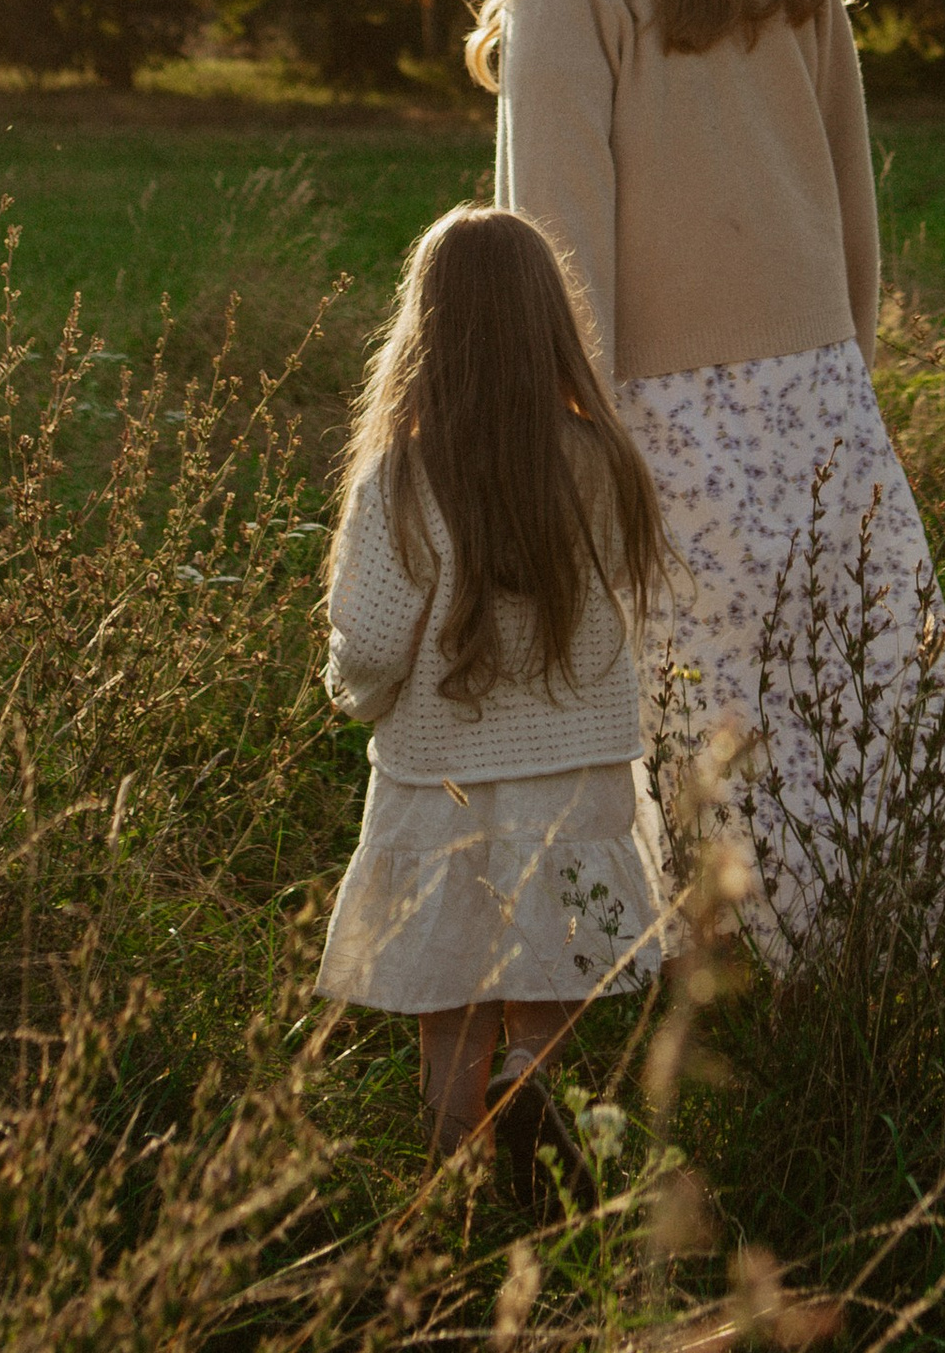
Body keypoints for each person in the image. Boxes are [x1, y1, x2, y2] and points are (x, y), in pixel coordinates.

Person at [471, 0, 945, 954]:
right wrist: (845, 376)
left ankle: (737, 1016)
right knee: (863, 704)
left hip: (652, 409)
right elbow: (850, 200)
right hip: (822, 393)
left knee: (700, 723)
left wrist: (566, 433)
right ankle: (915, 967)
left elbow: (555, 234)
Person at [317, 203, 671, 1197]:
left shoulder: (401, 474)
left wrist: (355, 692)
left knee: (450, 1007)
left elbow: (374, 642)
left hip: (441, 781)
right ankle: (533, 1085)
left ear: (424, 327)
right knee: (551, 973)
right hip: (577, 772)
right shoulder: (602, 461)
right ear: (548, 324)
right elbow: (628, 607)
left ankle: (453, 1198)